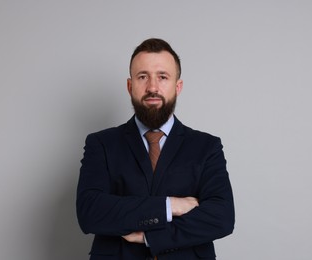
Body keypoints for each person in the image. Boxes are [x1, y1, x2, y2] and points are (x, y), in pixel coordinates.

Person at [76, 38, 235, 260]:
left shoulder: (207, 147)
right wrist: (169, 206)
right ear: (130, 86)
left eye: (162, 77)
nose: (152, 87)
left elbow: (222, 217)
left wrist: (151, 237)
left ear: (177, 87)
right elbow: (90, 212)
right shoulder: (101, 144)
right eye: (143, 77)